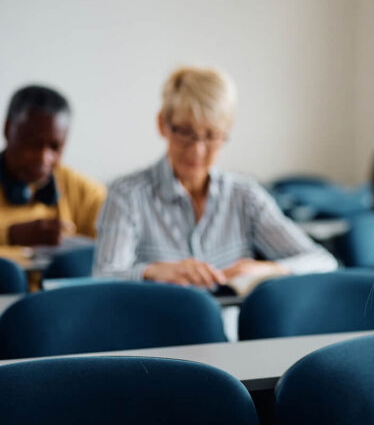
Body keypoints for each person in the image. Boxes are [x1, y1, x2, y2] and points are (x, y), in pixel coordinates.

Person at [93, 66, 337, 286]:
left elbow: (323, 262)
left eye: (211, 135)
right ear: (163, 124)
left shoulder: (245, 195)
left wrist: (271, 268)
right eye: (185, 132)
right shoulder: (126, 195)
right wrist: (153, 271)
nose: (197, 149)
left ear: (226, 133)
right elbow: (104, 277)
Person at [0, 85, 106, 251]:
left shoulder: (82, 189)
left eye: (55, 147)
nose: (44, 158)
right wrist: (10, 236)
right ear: (7, 129)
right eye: (33, 144)